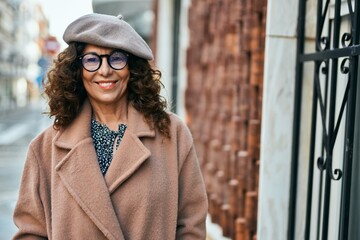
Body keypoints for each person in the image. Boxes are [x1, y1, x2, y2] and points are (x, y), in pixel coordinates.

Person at [13, 13, 208, 240]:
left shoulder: (172, 134)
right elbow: (30, 233)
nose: (105, 70)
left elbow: (191, 225)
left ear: (132, 67)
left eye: (116, 58)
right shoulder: (45, 148)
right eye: (92, 59)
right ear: (77, 70)